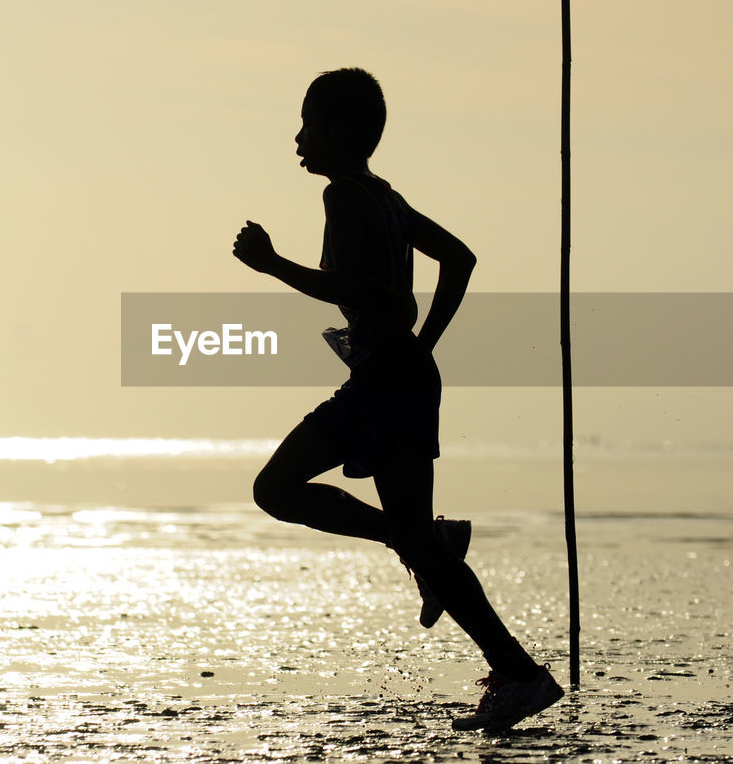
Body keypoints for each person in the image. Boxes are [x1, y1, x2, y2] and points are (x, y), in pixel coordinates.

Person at [232, 68, 563, 731]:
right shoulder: (384, 199)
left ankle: (519, 673)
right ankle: (496, 642)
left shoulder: (349, 198)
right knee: (284, 491)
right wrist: (423, 344)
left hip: (390, 383)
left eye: (309, 122)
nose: (298, 137)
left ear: (346, 132)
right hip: (389, 377)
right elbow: (459, 260)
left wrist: (273, 265)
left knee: (288, 492)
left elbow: (357, 289)